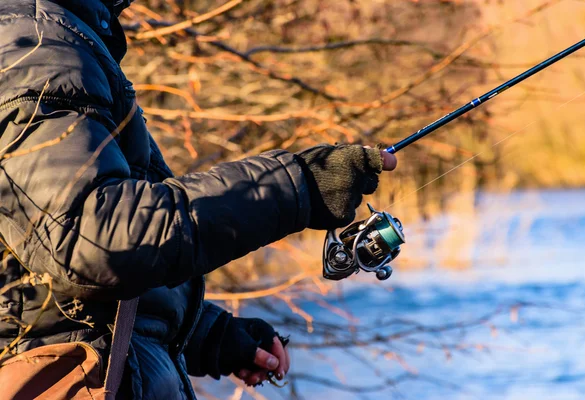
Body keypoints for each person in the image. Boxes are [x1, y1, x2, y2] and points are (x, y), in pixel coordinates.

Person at [0, 0, 397, 398]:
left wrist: (204, 334)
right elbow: (91, 235)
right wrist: (297, 186)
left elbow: (37, 273)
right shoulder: (32, 44)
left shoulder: (54, 37)